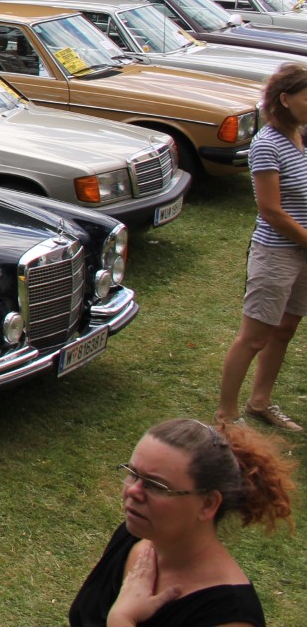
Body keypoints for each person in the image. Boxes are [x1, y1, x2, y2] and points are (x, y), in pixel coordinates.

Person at [69, 418, 293, 627]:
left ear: (207, 504)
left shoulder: (229, 616)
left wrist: (121, 618)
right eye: (132, 473)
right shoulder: (136, 536)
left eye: (156, 485)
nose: (133, 491)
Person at [216, 63, 307, 432]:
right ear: (285, 100)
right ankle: (226, 414)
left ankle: (260, 402)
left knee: (285, 329)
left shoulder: (303, 135)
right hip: (277, 253)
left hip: (303, 252)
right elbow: (270, 211)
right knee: (254, 337)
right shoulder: (267, 144)